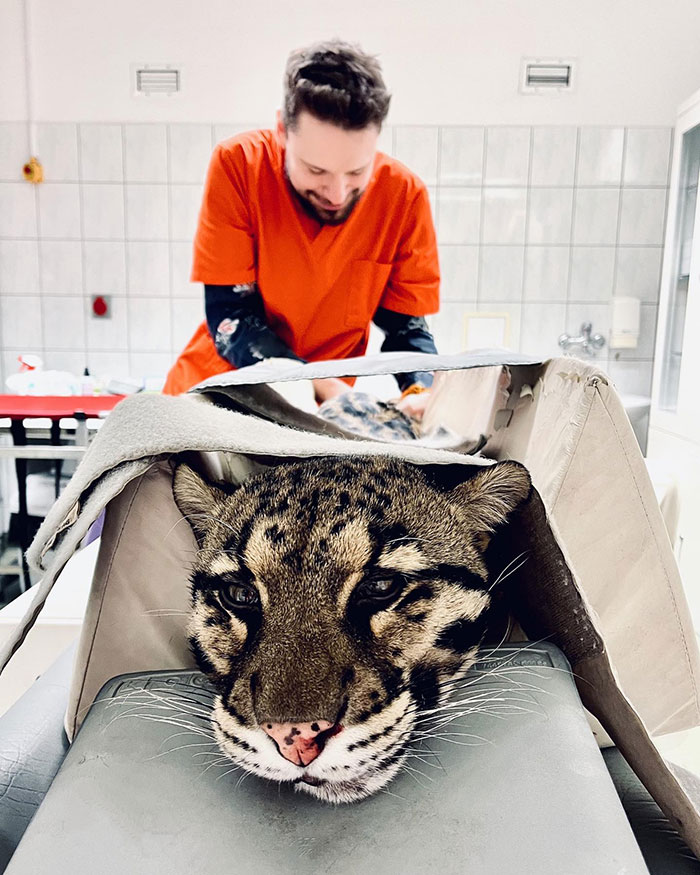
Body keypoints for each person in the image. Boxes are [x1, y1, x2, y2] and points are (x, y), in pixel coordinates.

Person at [163, 39, 440, 419]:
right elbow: (231, 316)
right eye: (316, 170)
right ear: (282, 131)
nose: (337, 193)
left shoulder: (403, 195)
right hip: (219, 397)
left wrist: (421, 389)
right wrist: (319, 382)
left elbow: (405, 326)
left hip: (320, 415)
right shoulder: (239, 166)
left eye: (357, 172)